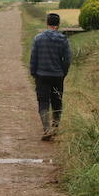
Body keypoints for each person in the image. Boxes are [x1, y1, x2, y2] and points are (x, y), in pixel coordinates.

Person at [29, 12, 72, 140]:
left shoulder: (38, 38)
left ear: (47, 23)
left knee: (43, 102)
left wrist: (33, 72)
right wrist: (63, 72)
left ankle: (46, 128)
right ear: (58, 24)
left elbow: (33, 58)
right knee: (57, 102)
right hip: (57, 75)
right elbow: (68, 59)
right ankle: (55, 127)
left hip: (41, 75)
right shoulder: (63, 39)